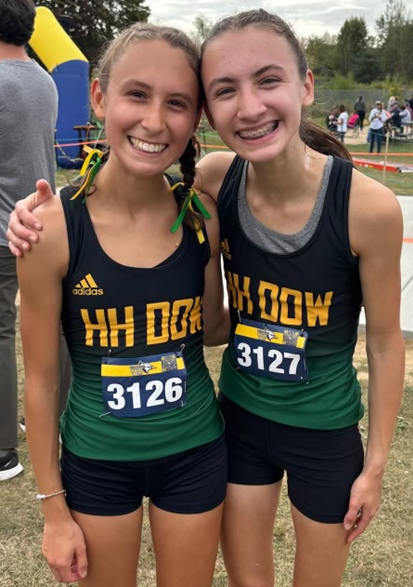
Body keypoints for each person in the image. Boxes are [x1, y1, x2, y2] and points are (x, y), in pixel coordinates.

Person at [7, 9, 405, 587]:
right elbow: (45, 377)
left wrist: (375, 466)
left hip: (261, 443)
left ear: (306, 85)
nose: (248, 107)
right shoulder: (194, 190)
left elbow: (377, 342)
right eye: (224, 91)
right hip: (174, 441)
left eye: (268, 81)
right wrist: (33, 216)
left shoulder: (330, 207)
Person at [14, 23, 228, 587]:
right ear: (100, 96)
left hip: (197, 454)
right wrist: (53, 510)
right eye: (137, 94)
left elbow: (212, 331)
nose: (155, 121)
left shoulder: (201, 217)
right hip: (96, 465)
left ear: (196, 118)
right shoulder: (52, 229)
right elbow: (38, 381)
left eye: (177, 103)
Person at [0, 0, 71, 482]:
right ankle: (54, 421)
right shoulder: (44, 80)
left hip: (5, 225)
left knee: (1, 330)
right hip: (46, 222)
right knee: (57, 328)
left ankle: (3, 449)